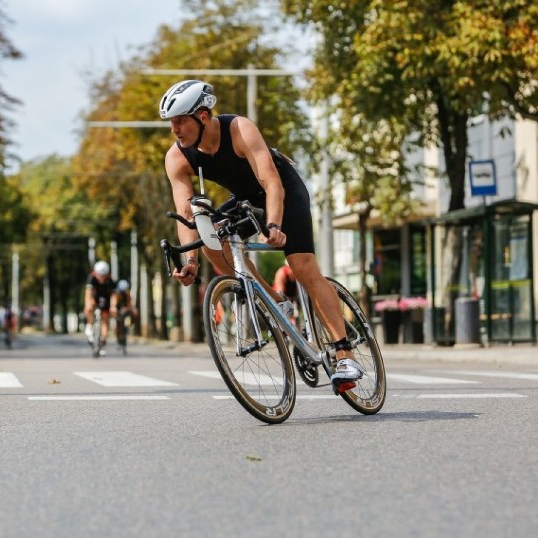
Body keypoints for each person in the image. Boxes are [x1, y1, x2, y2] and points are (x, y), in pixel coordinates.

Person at [159, 79, 366, 394]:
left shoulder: (239, 129)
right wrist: (190, 261)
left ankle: (344, 354)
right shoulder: (177, 157)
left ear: (202, 116)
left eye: (179, 121)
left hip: (283, 191)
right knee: (211, 239)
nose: (174, 129)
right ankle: (275, 301)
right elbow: (188, 215)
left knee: (302, 266)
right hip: (244, 200)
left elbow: (272, 183)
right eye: (170, 123)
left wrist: (273, 225)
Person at [84, 260, 115, 350]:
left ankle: (103, 339)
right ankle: (89, 325)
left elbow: (113, 295)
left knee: (105, 319)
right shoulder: (91, 278)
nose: (101, 278)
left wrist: (113, 306)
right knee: (88, 307)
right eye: (99, 275)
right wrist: (89, 303)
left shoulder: (110, 280)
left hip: (105, 298)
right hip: (94, 296)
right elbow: (88, 293)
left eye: (103, 276)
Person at [111, 279, 138, 344]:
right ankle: (118, 336)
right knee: (118, 323)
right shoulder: (116, 294)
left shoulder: (128, 294)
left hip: (125, 310)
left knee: (131, 316)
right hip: (118, 310)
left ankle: (126, 329)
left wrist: (130, 309)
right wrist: (114, 308)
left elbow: (130, 304)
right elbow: (113, 303)